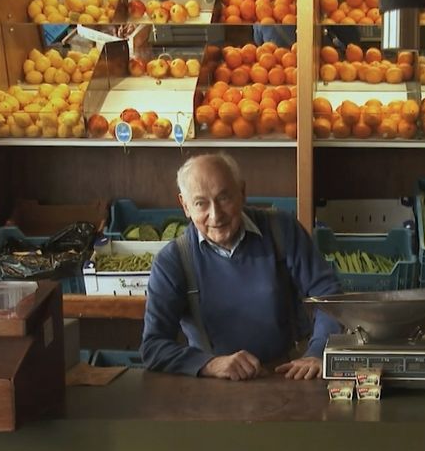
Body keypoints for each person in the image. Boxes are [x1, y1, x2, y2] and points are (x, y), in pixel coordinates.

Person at [141, 153, 342, 381]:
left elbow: (330, 297)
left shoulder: (281, 230)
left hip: (288, 374)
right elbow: (153, 347)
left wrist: (317, 353)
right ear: (185, 205)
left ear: (243, 192)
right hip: (214, 385)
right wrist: (210, 364)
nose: (215, 215)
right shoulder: (173, 260)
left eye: (224, 198)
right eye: (201, 203)